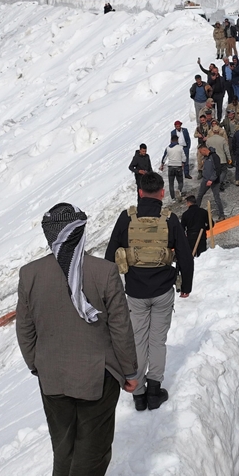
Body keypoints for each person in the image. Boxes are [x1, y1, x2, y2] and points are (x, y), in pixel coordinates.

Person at [17, 203, 138, 476]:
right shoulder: (103, 272)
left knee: (65, 445)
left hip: (51, 378)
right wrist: (130, 372)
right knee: (93, 447)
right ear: (80, 233)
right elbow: (121, 329)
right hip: (97, 376)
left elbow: (25, 330)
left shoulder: (30, 274)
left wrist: (37, 365)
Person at [104, 172, 194, 413]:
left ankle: (139, 394)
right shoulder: (170, 219)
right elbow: (185, 255)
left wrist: (111, 291)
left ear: (140, 192)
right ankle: (155, 391)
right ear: (162, 193)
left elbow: (110, 255)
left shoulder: (126, 218)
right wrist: (186, 286)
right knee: (157, 340)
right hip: (163, 290)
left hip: (134, 292)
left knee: (138, 340)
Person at [195, 145, 226, 219]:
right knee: (199, 195)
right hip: (206, 180)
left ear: (204, 150)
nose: (200, 153)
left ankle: (221, 215)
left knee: (216, 197)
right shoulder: (206, 158)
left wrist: (211, 180)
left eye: (200, 152)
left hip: (214, 181)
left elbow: (217, 170)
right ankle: (195, 212)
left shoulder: (214, 157)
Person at [206, 124, 232, 190]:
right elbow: (226, 150)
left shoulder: (208, 140)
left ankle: (215, 183)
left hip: (213, 159)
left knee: (215, 172)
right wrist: (229, 158)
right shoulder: (223, 139)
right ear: (219, 131)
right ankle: (220, 183)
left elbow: (207, 150)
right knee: (223, 171)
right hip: (222, 159)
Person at [161, 133, 186, 200]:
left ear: (171, 140)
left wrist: (162, 165)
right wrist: (183, 163)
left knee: (171, 183)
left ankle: (173, 197)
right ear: (177, 140)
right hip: (178, 166)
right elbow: (184, 157)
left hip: (171, 167)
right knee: (180, 182)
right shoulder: (180, 148)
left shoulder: (168, 148)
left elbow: (164, 157)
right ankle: (179, 190)